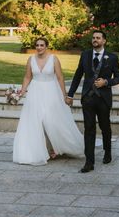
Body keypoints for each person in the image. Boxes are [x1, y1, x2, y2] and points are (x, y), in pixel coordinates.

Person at [12, 37, 84, 165]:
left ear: (46, 46)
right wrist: (22, 91)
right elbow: (27, 77)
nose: (39, 47)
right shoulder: (31, 59)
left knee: (52, 120)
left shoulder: (54, 59)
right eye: (37, 45)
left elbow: (60, 78)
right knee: (35, 121)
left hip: (51, 91)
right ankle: (38, 150)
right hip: (35, 92)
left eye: (42, 45)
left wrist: (65, 95)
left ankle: (56, 147)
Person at [66, 30, 119, 173]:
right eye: (93, 38)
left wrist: (106, 82)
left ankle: (107, 151)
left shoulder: (112, 57)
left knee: (105, 127)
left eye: (98, 38)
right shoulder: (85, 55)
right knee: (89, 129)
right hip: (88, 98)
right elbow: (78, 75)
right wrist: (70, 94)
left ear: (104, 41)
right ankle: (89, 162)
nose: (95, 40)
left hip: (103, 99)